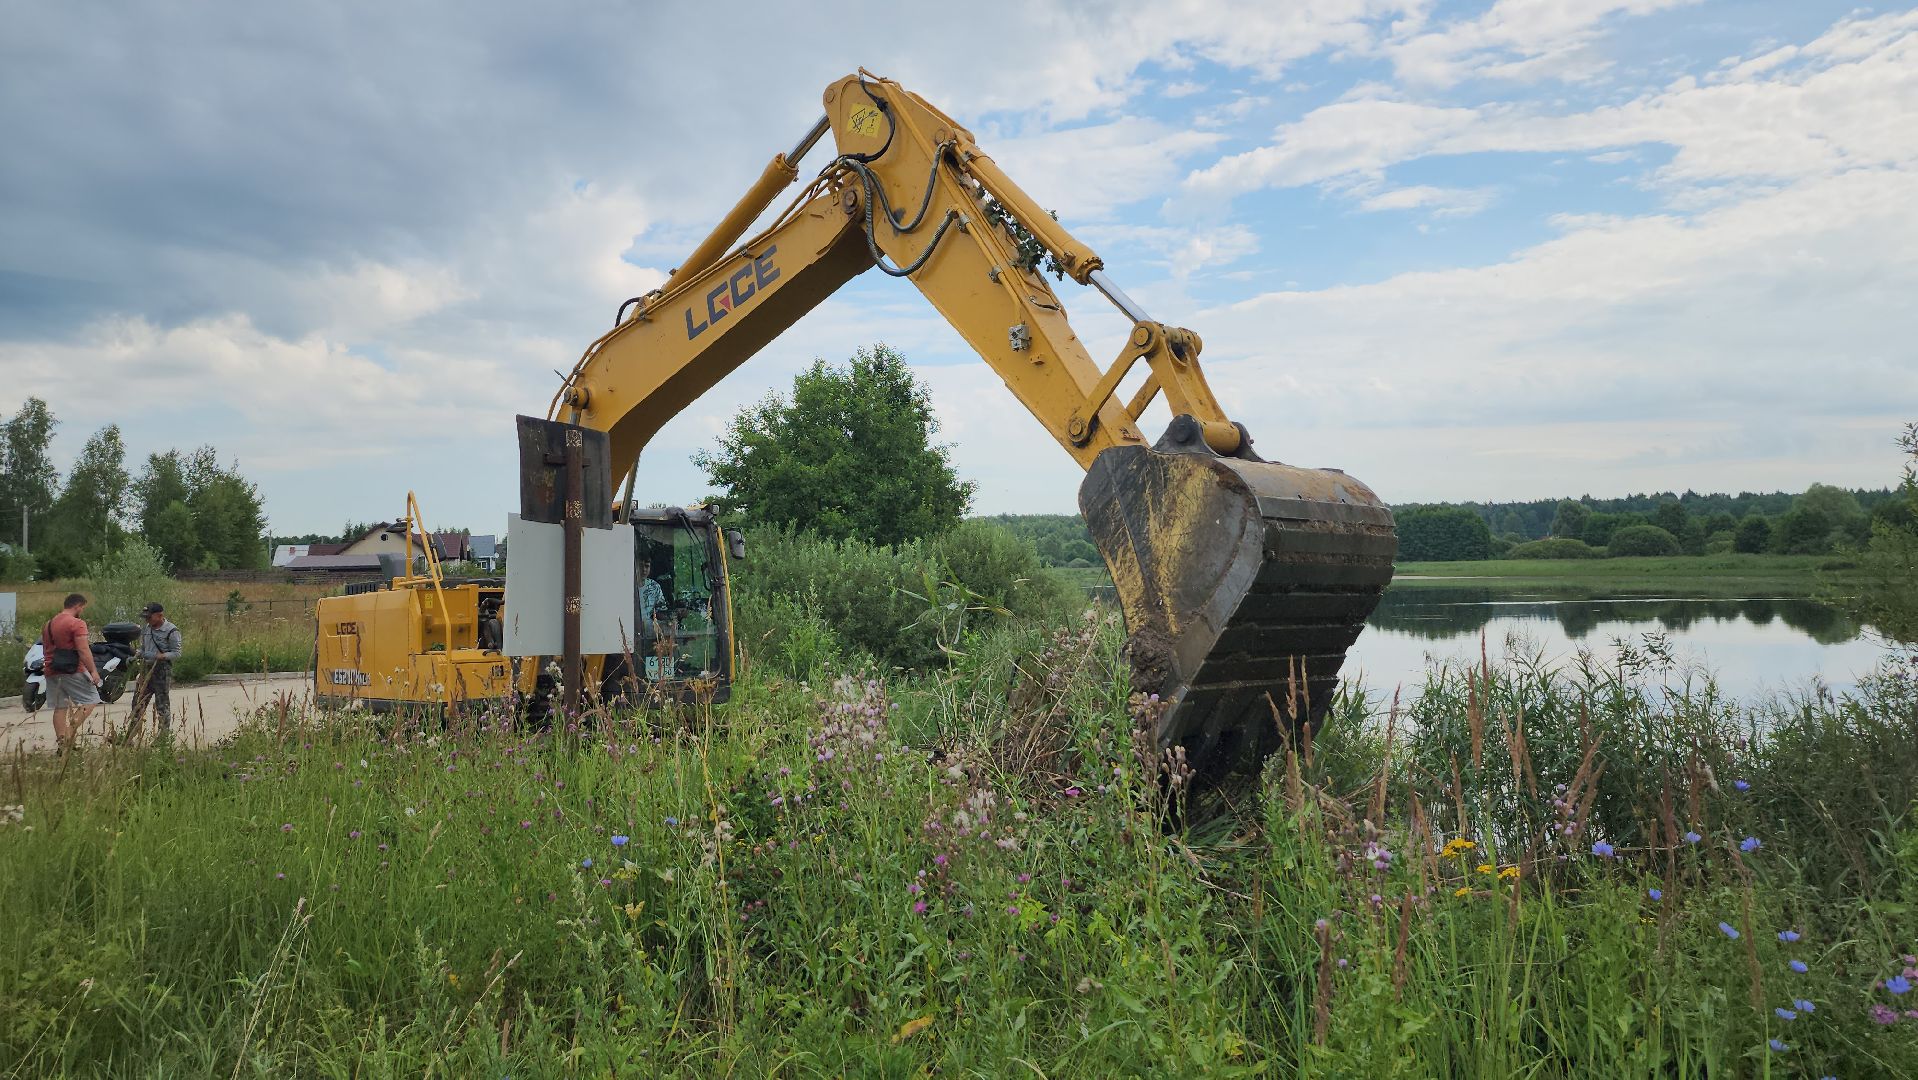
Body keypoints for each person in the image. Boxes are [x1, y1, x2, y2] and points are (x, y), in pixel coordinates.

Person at [41, 592, 101, 753]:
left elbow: (46, 648)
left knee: (60, 707)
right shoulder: (76, 623)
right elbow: (82, 649)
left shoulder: (48, 624)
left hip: (51, 669)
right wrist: (93, 671)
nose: (82, 610)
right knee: (92, 700)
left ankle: (62, 743)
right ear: (77, 606)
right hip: (72, 669)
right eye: (82, 607)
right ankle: (67, 736)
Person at [131, 601, 182, 735]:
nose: (147, 619)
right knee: (138, 702)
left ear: (160, 615)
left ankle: (163, 737)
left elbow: (176, 653)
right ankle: (130, 736)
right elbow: (142, 648)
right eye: (145, 617)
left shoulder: (171, 630)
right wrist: (137, 655)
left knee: (162, 704)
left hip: (161, 669)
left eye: (149, 616)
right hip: (146, 668)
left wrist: (161, 656)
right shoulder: (146, 629)